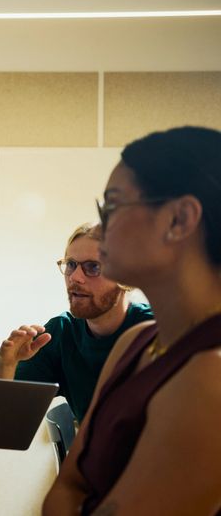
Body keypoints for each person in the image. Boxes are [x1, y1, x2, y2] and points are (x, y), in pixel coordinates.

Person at [43, 126, 221, 515]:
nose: (101, 230)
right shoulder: (135, 341)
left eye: (112, 207)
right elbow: (67, 486)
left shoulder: (212, 373)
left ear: (179, 219)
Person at [0, 223, 153, 422]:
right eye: (71, 265)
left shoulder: (157, 331)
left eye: (93, 267)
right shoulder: (60, 333)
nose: (75, 277)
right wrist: (4, 364)